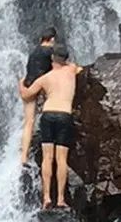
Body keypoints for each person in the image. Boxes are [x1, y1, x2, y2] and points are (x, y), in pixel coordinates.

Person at [18, 43, 82, 211]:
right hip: (64, 115)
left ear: (52, 58)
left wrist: (21, 83)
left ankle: (46, 197)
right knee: (62, 159)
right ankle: (60, 199)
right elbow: (77, 69)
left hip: (48, 116)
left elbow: (26, 94)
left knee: (48, 158)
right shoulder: (71, 70)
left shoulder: (45, 78)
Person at [20, 26, 57, 166]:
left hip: (28, 84)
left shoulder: (33, 52)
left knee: (29, 122)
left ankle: (23, 156)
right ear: (52, 39)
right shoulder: (49, 51)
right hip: (40, 86)